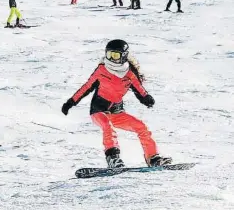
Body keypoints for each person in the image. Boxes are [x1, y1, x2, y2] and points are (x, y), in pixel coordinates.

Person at [61, 39, 172, 168]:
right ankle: (113, 158)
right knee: (107, 126)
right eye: (109, 55)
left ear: (124, 56)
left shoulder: (129, 74)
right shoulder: (101, 70)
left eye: (116, 55)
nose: (112, 59)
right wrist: (70, 102)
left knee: (141, 127)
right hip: (98, 110)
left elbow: (139, 89)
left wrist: (146, 98)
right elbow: (86, 87)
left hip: (116, 112)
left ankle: (153, 158)